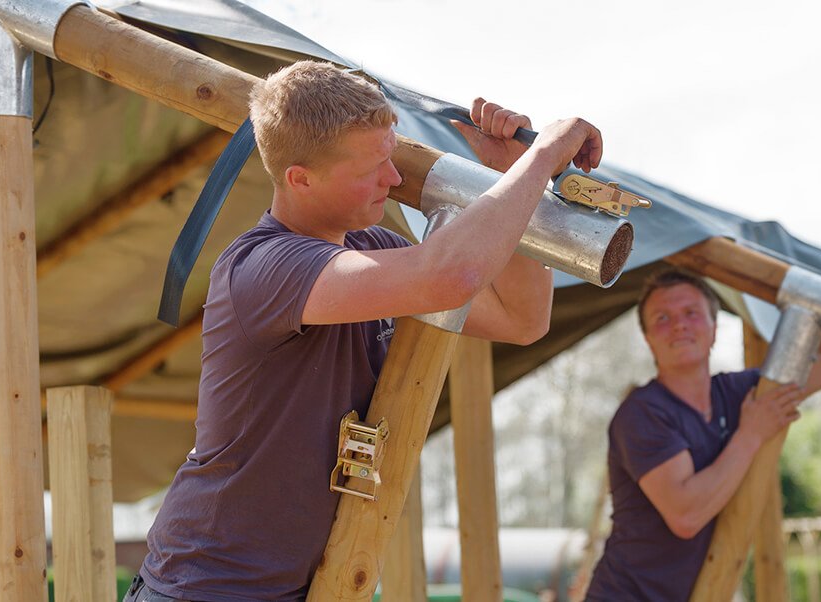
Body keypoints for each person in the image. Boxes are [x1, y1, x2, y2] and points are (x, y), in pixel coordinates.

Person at [129, 61, 603, 601]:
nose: (395, 179)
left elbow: (522, 319)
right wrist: (540, 161)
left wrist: (508, 176)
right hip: (206, 587)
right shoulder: (263, 267)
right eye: (373, 166)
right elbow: (451, 277)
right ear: (300, 179)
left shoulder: (372, 249)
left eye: (392, 156)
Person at [585, 235, 821, 601]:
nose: (679, 325)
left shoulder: (738, 394)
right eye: (663, 318)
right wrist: (750, 435)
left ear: (714, 329)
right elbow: (686, 515)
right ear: (649, 339)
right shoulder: (643, 413)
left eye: (691, 313)